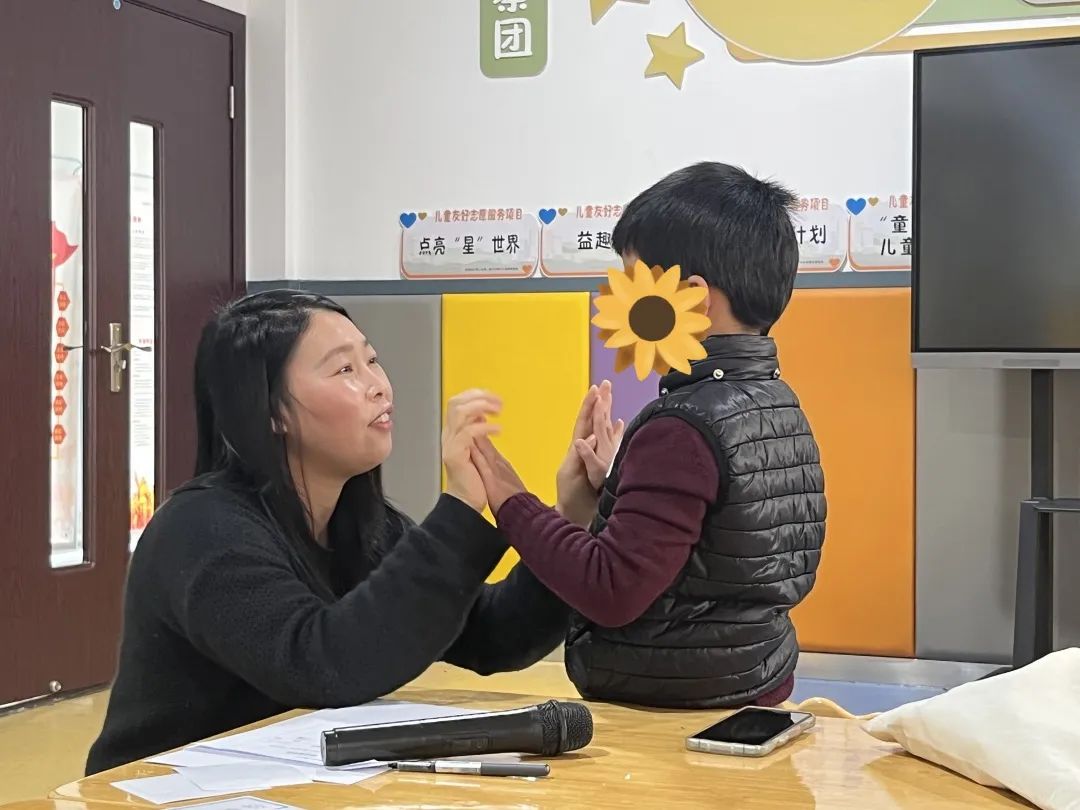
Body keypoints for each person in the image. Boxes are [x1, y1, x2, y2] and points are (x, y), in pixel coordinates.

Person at [86, 290, 613, 774]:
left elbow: (495, 636)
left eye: (372, 360)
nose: (379, 385)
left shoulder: (363, 524)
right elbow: (326, 665)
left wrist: (570, 518)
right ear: (271, 411)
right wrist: (459, 507)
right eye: (344, 369)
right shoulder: (201, 529)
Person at [471, 162, 827, 709]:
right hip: (754, 685)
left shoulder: (681, 427)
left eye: (634, 285)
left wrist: (508, 497)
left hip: (676, 708)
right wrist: (618, 492)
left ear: (692, 298)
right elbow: (720, 557)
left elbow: (611, 591)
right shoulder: (778, 400)